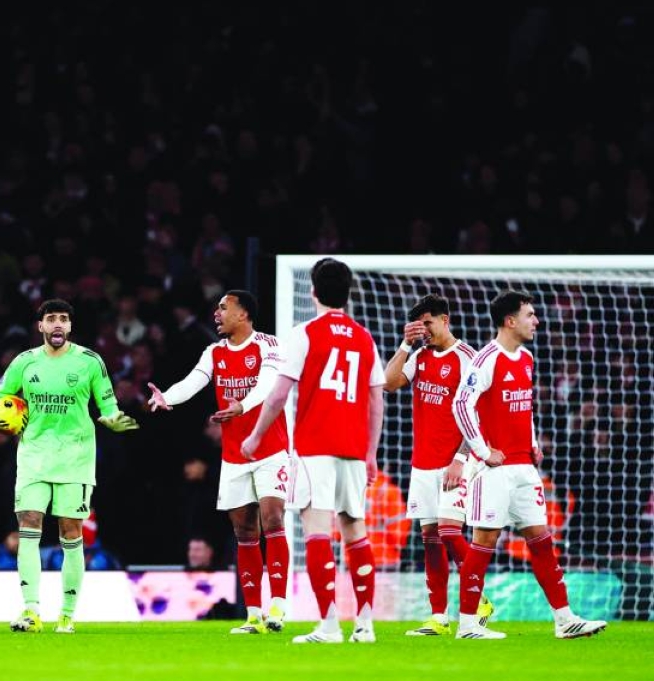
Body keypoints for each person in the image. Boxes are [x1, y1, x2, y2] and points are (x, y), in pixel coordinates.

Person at [0, 299, 138, 634]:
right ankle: (31, 611)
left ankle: (66, 614)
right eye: (51, 319)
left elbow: (107, 402)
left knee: (70, 531)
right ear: (40, 326)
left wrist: (112, 419)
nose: (57, 325)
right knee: (29, 525)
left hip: (76, 458)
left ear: (70, 327)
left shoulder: (89, 362)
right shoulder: (25, 362)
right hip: (34, 456)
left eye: (63, 320)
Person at [240, 258, 385, 644]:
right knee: (356, 531)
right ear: (348, 293)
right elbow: (377, 401)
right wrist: (370, 453)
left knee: (318, 532)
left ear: (313, 292)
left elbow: (279, 394)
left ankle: (329, 626)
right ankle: (366, 626)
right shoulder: (364, 337)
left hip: (315, 447)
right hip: (354, 451)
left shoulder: (305, 333)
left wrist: (255, 436)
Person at [451, 291, 606, 639]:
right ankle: (467, 625)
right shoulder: (486, 359)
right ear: (510, 321)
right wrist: (481, 449)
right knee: (485, 540)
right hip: (494, 470)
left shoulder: (526, 358)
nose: (536, 321)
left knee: (541, 539)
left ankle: (565, 619)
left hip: (524, 467)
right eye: (530, 315)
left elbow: (524, 406)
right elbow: (462, 404)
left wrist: (533, 441)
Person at [147, 290, 292, 634]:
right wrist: (167, 397)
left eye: (224, 308)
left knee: (272, 518)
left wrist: (241, 406)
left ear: (243, 314)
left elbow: (269, 386)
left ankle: (279, 606)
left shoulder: (268, 345)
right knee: (244, 529)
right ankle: (254, 615)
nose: (216, 313)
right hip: (234, 454)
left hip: (271, 449)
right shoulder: (214, 352)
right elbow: (194, 382)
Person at [382, 293, 493, 636]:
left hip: (458, 461)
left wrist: (460, 459)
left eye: (428, 323)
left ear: (445, 320)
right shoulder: (420, 356)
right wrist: (405, 343)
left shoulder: (468, 359)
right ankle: (439, 618)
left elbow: (479, 415)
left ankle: (479, 599)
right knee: (430, 536)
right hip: (423, 463)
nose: (424, 330)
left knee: (448, 531)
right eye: (419, 325)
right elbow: (388, 383)